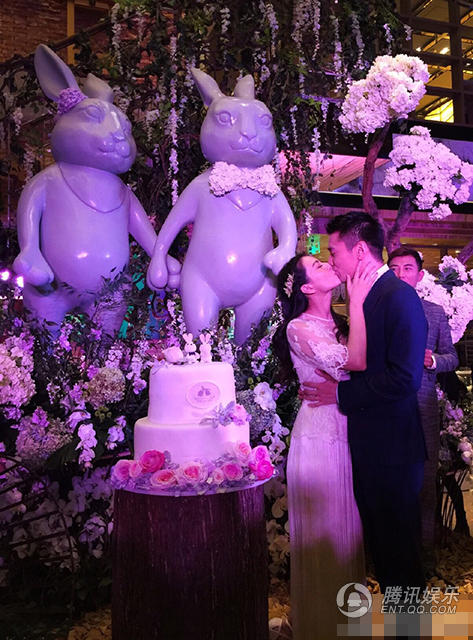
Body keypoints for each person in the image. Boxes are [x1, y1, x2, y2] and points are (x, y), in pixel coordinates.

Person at [300, 211, 428, 594]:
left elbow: (405, 377)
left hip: (393, 450)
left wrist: (340, 394)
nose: (331, 259)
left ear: (359, 250)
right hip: (369, 447)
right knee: (386, 558)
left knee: (400, 560)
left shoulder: (398, 297)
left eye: (334, 251)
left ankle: (410, 626)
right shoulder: (362, 298)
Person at [273, 253, 376, 640]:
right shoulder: (298, 327)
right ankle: (320, 628)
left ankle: (348, 626)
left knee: (349, 535)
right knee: (326, 535)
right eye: (317, 265)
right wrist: (358, 301)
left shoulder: (340, 323)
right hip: (318, 436)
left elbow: (361, 374)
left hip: (350, 429)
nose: (327, 264)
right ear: (306, 287)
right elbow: (356, 361)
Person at [388, 248, 459, 560]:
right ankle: (391, 553)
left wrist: (434, 361)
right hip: (387, 409)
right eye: (394, 268)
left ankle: (424, 552)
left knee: (425, 481)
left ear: (419, 275)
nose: (401, 274)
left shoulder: (434, 312)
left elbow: (452, 357)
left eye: (407, 268)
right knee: (390, 479)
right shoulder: (376, 311)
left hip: (424, 406)